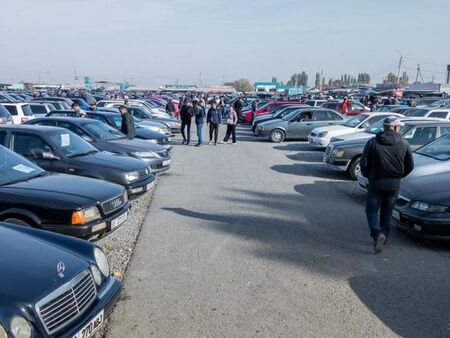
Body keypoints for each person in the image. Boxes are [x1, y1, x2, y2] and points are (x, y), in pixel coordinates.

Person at [360, 117, 414, 254]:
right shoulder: (404, 143)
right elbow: (410, 165)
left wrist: (368, 176)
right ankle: (385, 236)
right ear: (395, 128)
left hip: (376, 181)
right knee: (387, 210)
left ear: (384, 127)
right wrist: (399, 176)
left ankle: (377, 235)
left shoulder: (372, 142)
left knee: (371, 210)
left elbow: (364, 163)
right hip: (394, 183)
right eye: (399, 127)